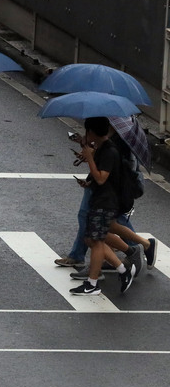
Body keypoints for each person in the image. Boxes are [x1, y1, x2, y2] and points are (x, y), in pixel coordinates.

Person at [70, 117, 136, 296]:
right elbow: (97, 179)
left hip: (106, 202)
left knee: (96, 241)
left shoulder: (109, 151)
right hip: (100, 199)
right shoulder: (102, 149)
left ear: (92, 132)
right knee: (91, 239)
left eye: (87, 131)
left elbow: (101, 177)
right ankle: (122, 270)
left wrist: (90, 157)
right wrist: (88, 182)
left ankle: (92, 283)